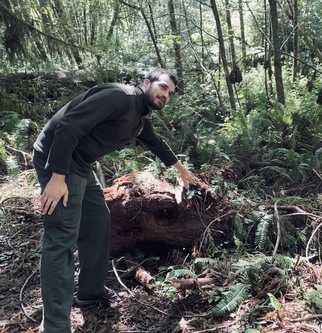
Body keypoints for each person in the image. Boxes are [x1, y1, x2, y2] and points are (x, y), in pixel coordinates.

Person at [32, 67, 198, 333]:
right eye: (163, 87)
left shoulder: (141, 117)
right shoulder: (120, 97)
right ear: (147, 83)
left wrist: (181, 170)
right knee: (61, 239)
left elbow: (155, 143)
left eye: (170, 93)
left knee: (98, 222)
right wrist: (57, 177)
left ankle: (90, 292)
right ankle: (54, 326)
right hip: (58, 160)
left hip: (81, 164)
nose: (166, 95)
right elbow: (68, 125)